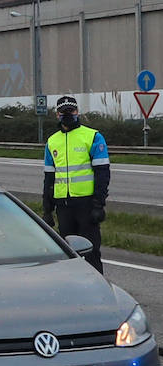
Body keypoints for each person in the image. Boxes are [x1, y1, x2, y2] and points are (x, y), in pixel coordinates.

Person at [42, 95, 110, 273]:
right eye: (63, 112)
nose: (67, 115)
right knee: (68, 254)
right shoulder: (52, 141)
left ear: (77, 112)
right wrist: (47, 210)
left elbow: (102, 173)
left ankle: (97, 288)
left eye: (70, 111)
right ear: (57, 114)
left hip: (86, 205)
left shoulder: (93, 136)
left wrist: (99, 204)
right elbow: (49, 179)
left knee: (92, 251)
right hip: (63, 206)